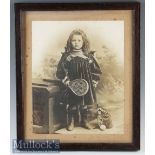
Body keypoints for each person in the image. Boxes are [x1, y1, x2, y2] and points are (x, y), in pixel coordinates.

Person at [56, 29, 102, 131]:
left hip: (86, 85)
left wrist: (93, 82)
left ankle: (84, 121)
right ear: (70, 42)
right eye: (74, 40)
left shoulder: (88, 57)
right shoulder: (67, 57)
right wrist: (67, 82)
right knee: (72, 104)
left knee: (84, 104)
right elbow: (61, 71)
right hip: (72, 85)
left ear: (83, 42)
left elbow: (96, 71)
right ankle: (71, 122)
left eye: (79, 40)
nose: (76, 43)